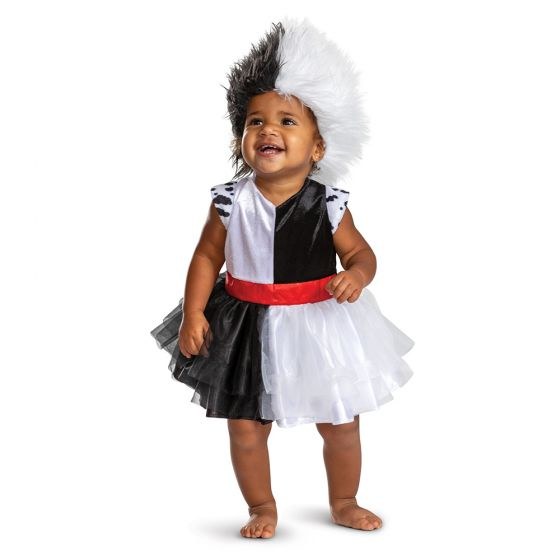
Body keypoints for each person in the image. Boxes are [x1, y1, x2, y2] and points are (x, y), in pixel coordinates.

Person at [150, 17, 415, 539]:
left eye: (287, 121)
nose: (268, 130)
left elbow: (361, 252)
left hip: (318, 323)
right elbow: (206, 256)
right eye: (255, 122)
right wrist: (195, 311)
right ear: (241, 139)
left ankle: (344, 499)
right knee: (246, 427)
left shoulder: (329, 202)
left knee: (341, 421)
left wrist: (357, 274)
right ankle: (262, 506)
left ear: (318, 148)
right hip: (245, 323)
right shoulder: (230, 201)